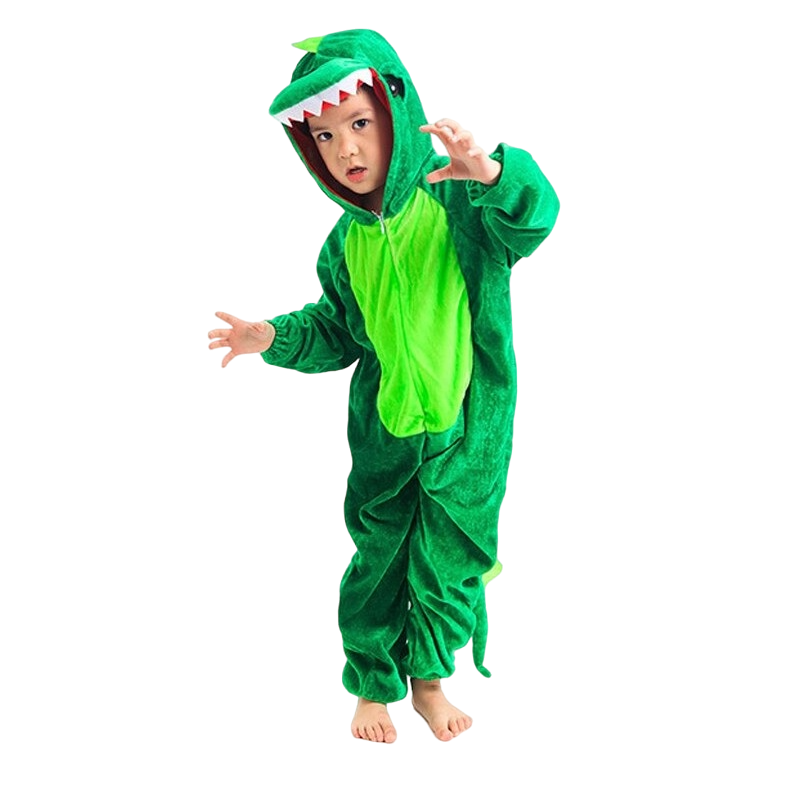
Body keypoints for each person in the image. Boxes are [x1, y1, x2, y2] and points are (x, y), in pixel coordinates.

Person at [208, 29, 559, 743]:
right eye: (325, 136)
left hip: (469, 430)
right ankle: (372, 684)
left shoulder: (459, 202)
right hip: (386, 434)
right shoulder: (344, 244)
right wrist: (271, 337)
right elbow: (338, 330)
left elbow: (533, 219)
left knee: (448, 565)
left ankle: (430, 682)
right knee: (378, 559)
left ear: (395, 109)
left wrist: (492, 173)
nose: (346, 149)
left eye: (360, 123)